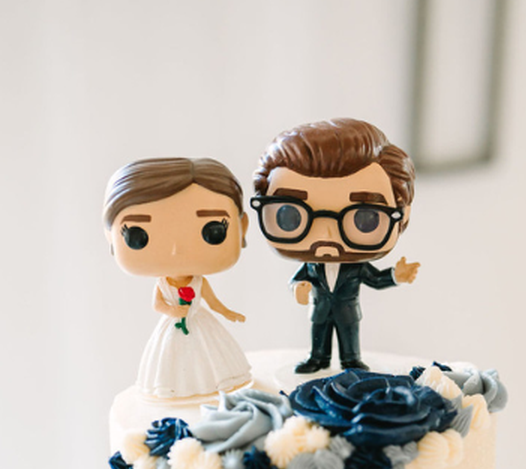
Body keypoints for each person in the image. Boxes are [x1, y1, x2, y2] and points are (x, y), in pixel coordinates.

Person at [250, 118, 420, 374]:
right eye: (291, 215)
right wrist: (298, 288)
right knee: (319, 334)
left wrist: (397, 275)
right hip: (318, 310)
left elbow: (375, 279)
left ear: (402, 215)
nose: (326, 234)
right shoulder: (311, 266)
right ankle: (317, 358)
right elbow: (298, 280)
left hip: (348, 312)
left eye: (365, 218)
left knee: (348, 335)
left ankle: (351, 360)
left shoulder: (357, 267)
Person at [104, 157, 252, 400]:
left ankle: (210, 389)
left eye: (213, 230)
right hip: (174, 325)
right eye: (137, 235)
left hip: (199, 322)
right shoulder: (162, 284)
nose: (175, 250)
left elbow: (213, 303)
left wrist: (228, 313)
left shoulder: (199, 282)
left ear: (241, 228)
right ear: (111, 237)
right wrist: (174, 312)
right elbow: (157, 304)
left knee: (209, 357)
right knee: (172, 363)